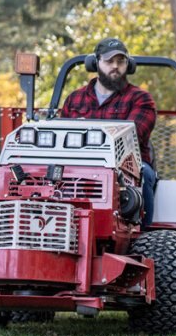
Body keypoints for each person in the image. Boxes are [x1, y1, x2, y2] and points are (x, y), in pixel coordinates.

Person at [60, 37, 157, 225]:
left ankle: (142, 232)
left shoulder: (141, 99)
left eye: (121, 61)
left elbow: (133, 136)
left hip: (128, 164)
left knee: (144, 173)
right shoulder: (75, 99)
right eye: (109, 61)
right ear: (95, 63)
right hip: (78, 163)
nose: (115, 66)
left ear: (128, 65)